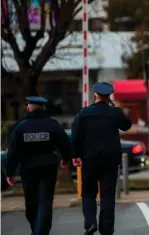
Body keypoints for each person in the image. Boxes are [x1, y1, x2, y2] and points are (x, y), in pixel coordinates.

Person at [71, 82, 132, 235]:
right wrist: (115, 107)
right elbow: (127, 125)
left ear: (95, 95)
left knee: (89, 193)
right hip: (110, 161)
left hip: (90, 160)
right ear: (109, 96)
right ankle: (106, 230)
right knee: (108, 196)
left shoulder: (83, 114)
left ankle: (90, 223)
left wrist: (75, 155)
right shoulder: (114, 113)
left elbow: (76, 135)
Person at [6, 96, 71, 235]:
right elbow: (65, 143)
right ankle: (41, 231)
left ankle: (37, 230)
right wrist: (66, 159)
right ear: (43, 108)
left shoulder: (20, 127)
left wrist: (10, 173)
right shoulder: (51, 124)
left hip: (28, 169)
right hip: (48, 167)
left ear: (28, 108)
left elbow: (12, 152)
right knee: (45, 202)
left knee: (31, 203)